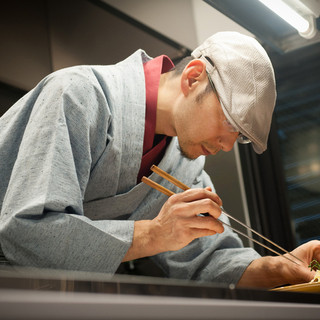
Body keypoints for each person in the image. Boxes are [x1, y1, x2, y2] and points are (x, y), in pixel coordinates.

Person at [0, 31, 319, 288]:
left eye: (240, 137)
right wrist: (155, 233)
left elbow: (209, 264)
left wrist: (283, 267)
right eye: (229, 124)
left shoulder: (185, 168)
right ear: (193, 78)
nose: (226, 145)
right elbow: (28, 232)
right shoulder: (79, 95)